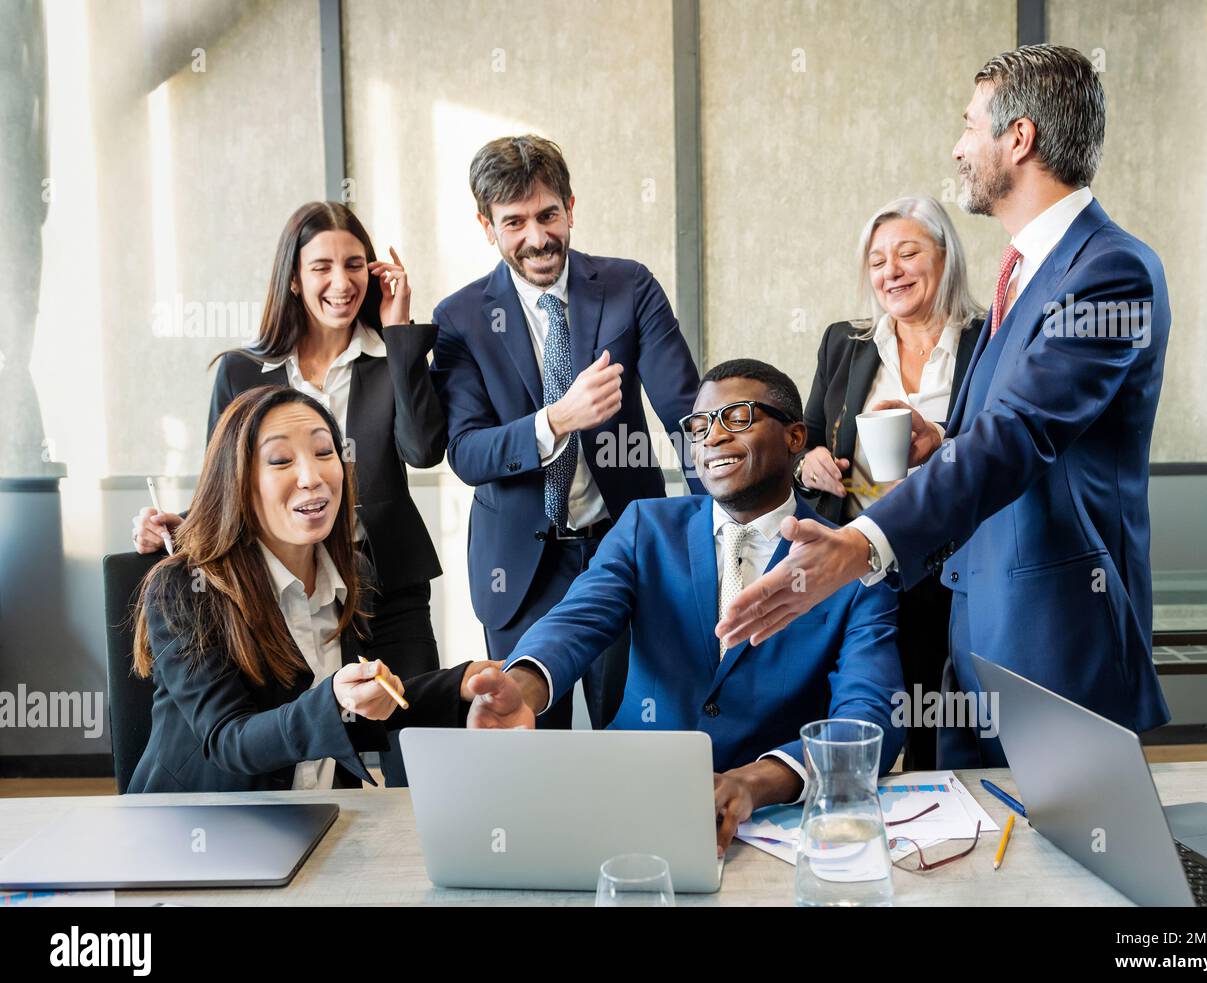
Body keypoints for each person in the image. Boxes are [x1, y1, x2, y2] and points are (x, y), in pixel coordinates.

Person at [717, 44, 1172, 768]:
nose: (958, 148)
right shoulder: (1025, 271)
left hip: (1055, 643)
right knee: (977, 861)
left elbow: (1021, 432)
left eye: (969, 126)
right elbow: (998, 432)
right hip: (982, 627)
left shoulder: (1108, 272)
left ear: (1017, 138)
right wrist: (944, 438)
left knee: (1055, 877)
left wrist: (864, 542)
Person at [467, 360, 905, 854]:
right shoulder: (645, 528)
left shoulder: (852, 563)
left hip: (773, 826)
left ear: (795, 437)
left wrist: (759, 781)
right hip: (628, 802)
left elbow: (871, 720)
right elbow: (578, 619)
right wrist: (522, 688)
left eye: (737, 418)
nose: (712, 439)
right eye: (699, 427)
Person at [131, 201, 447, 786]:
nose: (341, 281)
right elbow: (223, 484)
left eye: (355, 265)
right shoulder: (243, 370)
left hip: (380, 577)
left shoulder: (388, 356)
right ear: (294, 278)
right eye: (322, 266)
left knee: (407, 728)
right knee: (306, 718)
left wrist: (401, 332)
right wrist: (172, 525)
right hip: (282, 578)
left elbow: (423, 449)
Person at [128, 386, 527, 793]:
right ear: (238, 481)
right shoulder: (185, 588)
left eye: (324, 453)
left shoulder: (354, 571)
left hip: (317, 817)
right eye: (281, 460)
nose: (312, 477)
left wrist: (460, 685)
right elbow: (229, 741)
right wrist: (333, 700)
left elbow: (368, 705)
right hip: (204, 827)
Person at [433, 135, 701, 730]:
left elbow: (686, 412)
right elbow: (468, 452)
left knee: (629, 731)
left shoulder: (630, 287)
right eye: (515, 222)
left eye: (548, 215)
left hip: (622, 548)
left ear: (571, 208)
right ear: (487, 227)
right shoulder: (461, 318)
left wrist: (723, 527)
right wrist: (556, 420)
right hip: (519, 570)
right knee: (523, 740)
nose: (537, 238)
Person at [799, 195, 983, 769]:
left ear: (945, 258)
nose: (891, 272)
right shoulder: (844, 342)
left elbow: (1005, 444)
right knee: (861, 708)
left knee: (938, 716)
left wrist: (944, 444)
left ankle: (937, 824)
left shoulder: (985, 340)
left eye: (907, 254)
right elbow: (804, 437)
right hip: (860, 563)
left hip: (953, 564)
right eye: (878, 261)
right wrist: (812, 463)